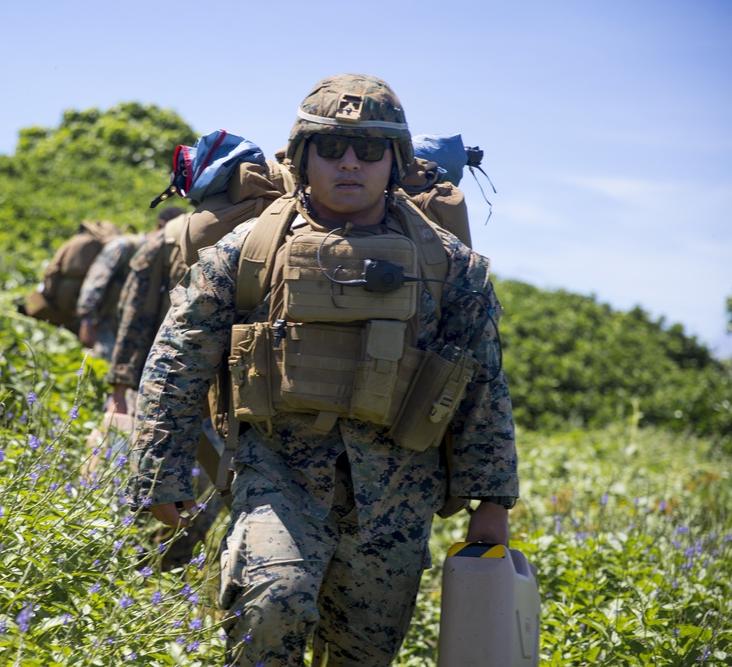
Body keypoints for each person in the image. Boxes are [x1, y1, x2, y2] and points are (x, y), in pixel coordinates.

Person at [128, 73, 517, 665]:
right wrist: (160, 475)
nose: (350, 163)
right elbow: (177, 359)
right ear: (305, 156)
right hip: (277, 473)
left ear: (397, 159)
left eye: (369, 149)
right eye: (332, 148)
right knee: (270, 606)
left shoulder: (450, 265)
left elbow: (483, 385)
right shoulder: (250, 250)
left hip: (398, 495)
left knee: (363, 655)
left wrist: (491, 501)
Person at [74, 208, 184, 360]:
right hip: (103, 324)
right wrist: (87, 321)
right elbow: (94, 281)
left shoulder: (165, 256)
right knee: (98, 369)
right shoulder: (124, 245)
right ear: (160, 226)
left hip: (130, 329)